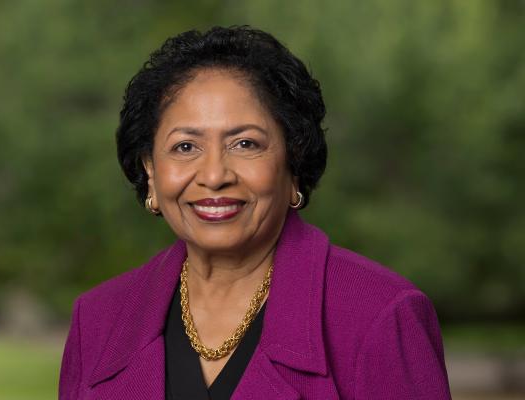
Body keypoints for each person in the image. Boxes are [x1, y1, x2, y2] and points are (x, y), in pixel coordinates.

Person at [58, 26, 451, 400]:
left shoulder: (379, 316)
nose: (214, 175)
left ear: (292, 162)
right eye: (185, 147)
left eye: (245, 143)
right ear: (150, 171)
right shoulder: (97, 320)